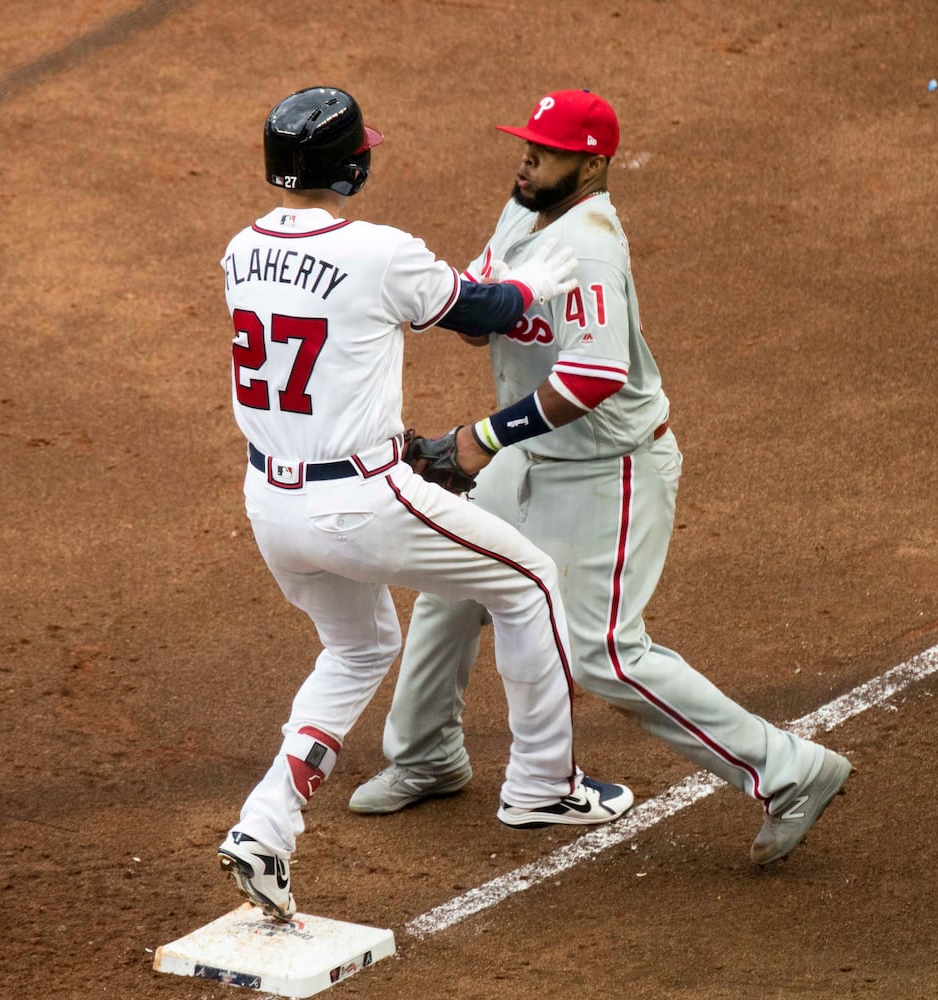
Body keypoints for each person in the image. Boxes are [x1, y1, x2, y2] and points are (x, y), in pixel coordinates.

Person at [349, 89, 851, 865]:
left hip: (604, 470)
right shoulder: (526, 213)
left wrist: (479, 439)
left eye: (544, 152)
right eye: (526, 144)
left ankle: (788, 771)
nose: (526, 159)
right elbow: (480, 309)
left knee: (601, 653)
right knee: (453, 579)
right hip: (529, 447)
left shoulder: (590, 247)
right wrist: (435, 301)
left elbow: (593, 376)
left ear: (592, 164)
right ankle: (427, 756)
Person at [214, 86, 635, 922]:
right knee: (530, 583)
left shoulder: (237, 250)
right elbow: (473, 310)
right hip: (365, 500)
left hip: (270, 502)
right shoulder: (376, 250)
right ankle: (544, 786)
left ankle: (266, 824)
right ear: (353, 165)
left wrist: (506, 287)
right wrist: (526, 287)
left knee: (360, 647)